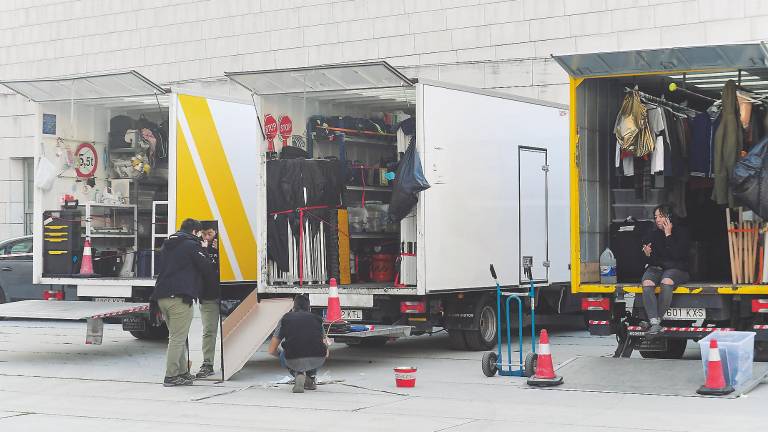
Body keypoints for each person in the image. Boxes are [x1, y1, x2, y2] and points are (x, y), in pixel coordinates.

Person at [152, 218, 215, 387]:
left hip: (162, 296)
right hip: (179, 297)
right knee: (178, 339)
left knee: (176, 337)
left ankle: (182, 373)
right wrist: (205, 249)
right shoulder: (191, 245)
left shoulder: (168, 244)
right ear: (195, 232)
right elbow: (206, 268)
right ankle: (171, 376)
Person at [640, 204, 691, 336]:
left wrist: (668, 235)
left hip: (678, 268)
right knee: (647, 283)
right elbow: (651, 261)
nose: (657, 220)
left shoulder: (681, 232)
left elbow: (677, 255)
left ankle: (654, 322)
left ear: (669, 217)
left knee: (667, 280)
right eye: (655, 217)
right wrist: (647, 255)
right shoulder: (653, 234)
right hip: (658, 268)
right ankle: (654, 322)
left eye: (661, 216)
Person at [268, 295, 328, 393]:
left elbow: (271, 350)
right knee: (319, 350)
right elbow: (326, 351)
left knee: (284, 353)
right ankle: (311, 377)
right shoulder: (317, 319)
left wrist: (281, 355)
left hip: (293, 359)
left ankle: (298, 374)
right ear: (309, 308)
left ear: (293, 307)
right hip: (317, 359)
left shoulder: (285, 319)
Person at [195, 227, 220, 379]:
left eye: (210, 233)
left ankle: (232, 362)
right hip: (208, 295)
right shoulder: (196, 247)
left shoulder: (225, 244)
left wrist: (220, 252)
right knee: (209, 331)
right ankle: (207, 363)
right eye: (204, 234)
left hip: (228, 292)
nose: (207, 237)